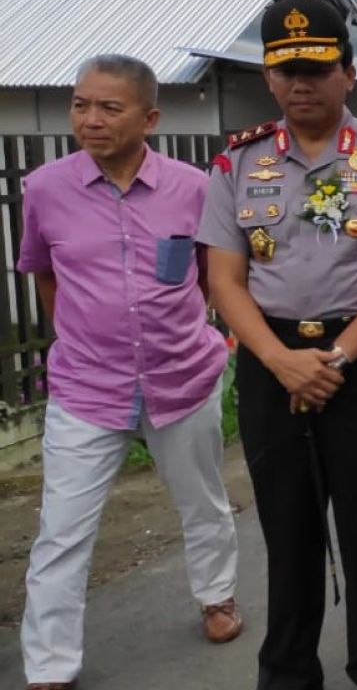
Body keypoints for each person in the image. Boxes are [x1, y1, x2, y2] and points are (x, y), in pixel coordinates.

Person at [198, 0, 357, 690]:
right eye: (286, 72)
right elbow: (225, 279)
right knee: (287, 526)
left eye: (316, 68)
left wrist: (334, 359)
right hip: (271, 361)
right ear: (270, 78)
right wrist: (277, 361)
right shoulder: (235, 164)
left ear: (347, 72)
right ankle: (287, 671)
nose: (301, 84)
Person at [18, 54, 240, 690]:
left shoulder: (194, 188)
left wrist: (207, 333)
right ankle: (50, 665)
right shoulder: (45, 188)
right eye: (81, 105)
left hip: (184, 377)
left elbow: (210, 276)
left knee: (203, 502)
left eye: (109, 107)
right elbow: (44, 272)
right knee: (61, 530)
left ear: (149, 117)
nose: (90, 119)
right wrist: (82, 339)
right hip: (87, 388)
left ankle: (217, 596)